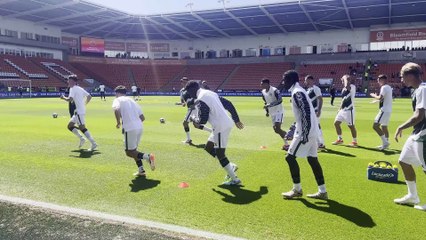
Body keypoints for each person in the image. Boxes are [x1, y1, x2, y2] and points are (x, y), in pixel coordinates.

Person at [184, 80, 244, 185]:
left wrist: (194, 119)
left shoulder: (201, 98)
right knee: (208, 147)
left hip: (220, 126)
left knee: (220, 154)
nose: (189, 95)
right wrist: (236, 119)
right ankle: (231, 166)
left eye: (189, 92)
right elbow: (228, 104)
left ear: (193, 90)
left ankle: (235, 180)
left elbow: (203, 119)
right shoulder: (210, 93)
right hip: (222, 124)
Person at [280, 70, 327, 200]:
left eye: (285, 79)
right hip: (310, 131)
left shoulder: (297, 92)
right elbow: (302, 114)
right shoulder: (299, 91)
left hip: (306, 132)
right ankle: (322, 191)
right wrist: (293, 129)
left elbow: (305, 112)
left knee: (289, 158)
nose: (283, 82)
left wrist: (304, 134)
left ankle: (297, 189)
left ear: (291, 80)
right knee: (312, 160)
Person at [394, 62, 426, 210]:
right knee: (404, 160)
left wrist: (401, 126)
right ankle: (412, 196)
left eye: (402, 77)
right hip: (417, 133)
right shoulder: (417, 90)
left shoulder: (423, 90)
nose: (401, 80)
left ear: (410, 75)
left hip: (423, 134)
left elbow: (419, 116)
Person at [112, 85, 155, 177]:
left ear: (117, 93)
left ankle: (148, 156)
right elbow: (142, 117)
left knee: (129, 152)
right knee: (134, 150)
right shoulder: (132, 100)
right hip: (139, 127)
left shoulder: (118, 100)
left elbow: (116, 109)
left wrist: (118, 122)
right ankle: (141, 170)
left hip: (129, 128)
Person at [60, 75, 97, 151]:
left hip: (79, 111)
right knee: (70, 126)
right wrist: (84, 104)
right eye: (68, 81)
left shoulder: (72, 89)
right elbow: (89, 96)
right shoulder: (80, 88)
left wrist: (63, 98)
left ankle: (93, 143)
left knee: (82, 127)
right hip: (78, 111)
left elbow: (70, 99)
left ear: (74, 82)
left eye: (70, 81)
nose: (68, 82)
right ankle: (82, 138)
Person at [260, 78, 288, 150]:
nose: (261, 85)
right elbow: (266, 102)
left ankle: (287, 144)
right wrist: (267, 111)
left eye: (262, 84)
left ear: (267, 84)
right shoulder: (263, 92)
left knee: (278, 127)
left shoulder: (275, 90)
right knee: (276, 130)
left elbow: (280, 100)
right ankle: (289, 135)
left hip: (279, 111)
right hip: (272, 112)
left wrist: (270, 105)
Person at [332, 75, 358, 147]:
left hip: (349, 110)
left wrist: (344, 77)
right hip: (343, 110)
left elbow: (347, 86)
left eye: (343, 80)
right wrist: (339, 108)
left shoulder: (352, 86)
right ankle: (340, 139)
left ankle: (355, 142)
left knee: (351, 126)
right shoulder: (344, 89)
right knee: (336, 123)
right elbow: (343, 99)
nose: (342, 81)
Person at [370, 74, 392, 150]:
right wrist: (376, 101)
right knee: (384, 126)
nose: (378, 81)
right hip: (388, 110)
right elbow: (384, 99)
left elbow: (380, 97)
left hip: (384, 110)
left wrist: (373, 95)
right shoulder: (388, 87)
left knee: (375, 126)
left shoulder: (384, 87)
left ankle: (385, 142)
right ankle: (386, 143)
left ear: (383, 80)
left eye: (379, 80)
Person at [305, 75, 325, 149]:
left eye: (306, 80)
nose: (305, 82)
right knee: (314, 127)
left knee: (316, 127)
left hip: (315, 111)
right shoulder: (308, 90)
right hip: (310, 112)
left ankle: (321, 143)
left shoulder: (316, 89)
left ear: (310, 80)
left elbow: (320, 99)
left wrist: (319, 110)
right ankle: (319, 143)